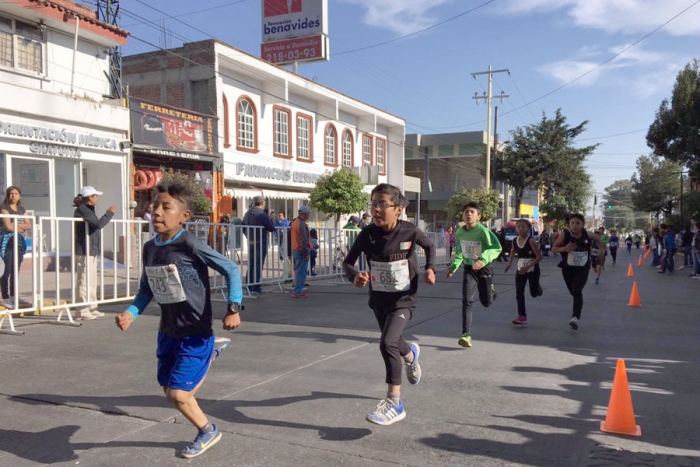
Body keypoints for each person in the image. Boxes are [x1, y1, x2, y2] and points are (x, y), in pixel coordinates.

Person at [115, 182, 243, 459]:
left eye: (166, 207)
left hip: (195, 331)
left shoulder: (190, 244)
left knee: (178, 395)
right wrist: (131, 313)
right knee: (168, 388)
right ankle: (210, 357)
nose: (157, 212)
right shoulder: (150, 248)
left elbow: (231, 268)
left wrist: (233, 307)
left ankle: (208, 430)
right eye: (155, 206)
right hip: (168, 331)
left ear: (184, 216)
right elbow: (146, 290)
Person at [343, 183, 435, 426]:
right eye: (373, 204)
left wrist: (430, 268)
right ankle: (410, 352)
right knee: (393, 340)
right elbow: (347, 263)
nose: (376, 209)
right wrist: (354, 276)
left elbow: (430, 246)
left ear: (398, 208)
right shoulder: (367, 234)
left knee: (387, 342)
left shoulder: (409, 231)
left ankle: (394, 402)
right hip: (379, 298)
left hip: (404, 297)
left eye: (383, 204)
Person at [446, 202, 501, 348]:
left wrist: (483, 259)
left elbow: (496, 248)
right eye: (466, 212)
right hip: (469, 269)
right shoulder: (460, 232)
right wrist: (453, 267)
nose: (468, 214)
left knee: (486, 302)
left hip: (484, 269)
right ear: (462, 216)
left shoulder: (483, 231)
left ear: (479, 216)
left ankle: (491, 288)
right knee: (467, 301)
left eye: (472, 212)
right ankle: (466, 334)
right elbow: (459, 251)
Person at [551, 213, 605, 330]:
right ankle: (577, 304)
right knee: (573, 291)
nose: (574, 226)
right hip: (567, 268)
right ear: (569, 224)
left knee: (577, 290)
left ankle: (575, 317)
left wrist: (601, 252)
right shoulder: (565, 234)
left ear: (582, 224)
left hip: (582, 268)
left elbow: (599, 240)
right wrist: (565, 249)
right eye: (572, 223)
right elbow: (554, 248)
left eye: (577, 223)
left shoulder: (587, 234)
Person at [73, 186, 115, 320]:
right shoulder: (83, 209)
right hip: (84, 249)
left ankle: (92, 307)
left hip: (91, 248)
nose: (97, 198)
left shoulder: (89, 209)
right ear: (90, 197)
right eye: (95, 196)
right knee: (84, 280)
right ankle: (82, 310)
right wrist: (109, 213)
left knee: (91, 280)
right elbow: (98, 224)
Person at [505, 219, 543, 326]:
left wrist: (528, 267)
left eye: (523, 227)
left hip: (532, 269)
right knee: (519, 292)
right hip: (520, 269)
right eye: (518, 227)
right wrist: (510, 263)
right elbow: (513, 251)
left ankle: (538, 288)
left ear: (528, 229)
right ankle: (522, 316)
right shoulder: (514, 241)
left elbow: (539, 256)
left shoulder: (530, 241)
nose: (521, 229)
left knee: (534, 293)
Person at [0, 186, 32, 309]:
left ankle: (14, 295)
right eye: (11, 193)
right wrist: (20, 227)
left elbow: (29, 225)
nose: (13, 195)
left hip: (18, 241)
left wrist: (15, 225)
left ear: (20, 196)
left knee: (15, 270)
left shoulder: (21, 209)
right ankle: (5, 297)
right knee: (6, 270)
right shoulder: (4, 208)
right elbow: (8, 226)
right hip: (6, 241)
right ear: (8, 195)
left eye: (16, 193)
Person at [242, 196, 275, 293]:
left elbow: (243, 226)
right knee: (258, 264)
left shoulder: (247, 213)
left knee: (251, 264)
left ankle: (249, 285)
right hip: (260, 242)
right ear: (263, 203)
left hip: (251, 242)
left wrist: (249, 237)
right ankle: (255, 286)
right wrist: (272, 219)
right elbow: (271, 228)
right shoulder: (262, 214)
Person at [290, 206, 312, 298]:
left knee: (299, 270)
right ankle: (298, 291)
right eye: (308, 213)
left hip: (295, 248)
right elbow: (304, 239)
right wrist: (306, 252)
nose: (308, 215)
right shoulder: (301, 224)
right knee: (301, 271)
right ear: (304, 214)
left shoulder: (295, 222)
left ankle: (298, 290)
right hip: (300, 249)